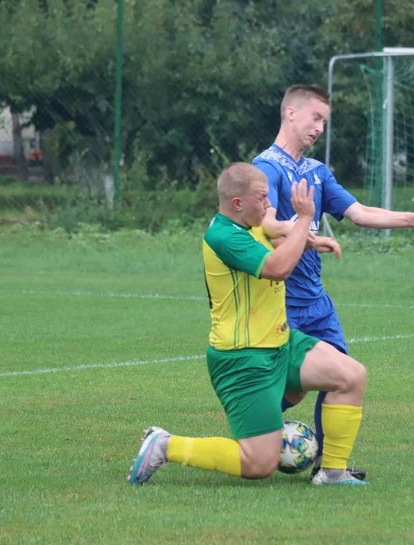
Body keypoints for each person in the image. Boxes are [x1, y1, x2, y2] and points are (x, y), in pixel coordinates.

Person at [128, 162, 369, 486]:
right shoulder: (223, 236)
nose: (269, 204)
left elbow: (276, 236)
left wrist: (307, 239)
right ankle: (166, 445)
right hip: (243, 360)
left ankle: (333, 473)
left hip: (281, 345)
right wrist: (306, 220)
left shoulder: (250, 224)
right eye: (262, 198)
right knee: (258, 464)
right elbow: (277, 267)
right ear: (237, 203)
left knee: (351, 375)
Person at [253, 85, 414, 478]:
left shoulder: (316, 172)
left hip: (316, 301)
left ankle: (329, 466)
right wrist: (307, 233)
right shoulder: (265, 168)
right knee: (292, 389)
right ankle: (252, 437)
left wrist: (410, 218)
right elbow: (267, 223)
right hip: (281, 299)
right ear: (290, 113)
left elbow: (359, 212)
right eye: (315, 118)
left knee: (339, 376)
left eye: (324, 121)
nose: (320, 127)